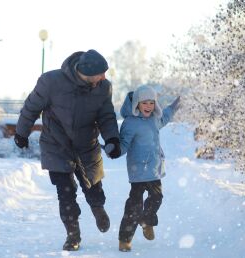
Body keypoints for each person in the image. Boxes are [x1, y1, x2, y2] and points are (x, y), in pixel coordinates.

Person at [14, 49, 121, 251]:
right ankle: (73, 235)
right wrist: (21, 133)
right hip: (56, 145)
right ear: (87, 73)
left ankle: (97, 208)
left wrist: (112, 139)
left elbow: (107, 116)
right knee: (65, 193)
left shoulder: (103, 87)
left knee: (93, 186)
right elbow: (31, 107)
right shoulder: (51, 82)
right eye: (101, 73)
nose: (104, 77)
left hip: (87, 144)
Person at [114, 85, 180, 252]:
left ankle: (147, 221)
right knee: (134, 206)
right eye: (145, 103)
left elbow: (165, 117)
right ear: (137, 103)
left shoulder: (155, 118)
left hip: (154, 169)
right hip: (138, 171)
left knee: (157, 198)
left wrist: (173, 107)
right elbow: (123, 145)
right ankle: (125, 238)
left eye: (152, 102)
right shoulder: (130, 123)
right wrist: (114, 150)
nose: (149, 106)